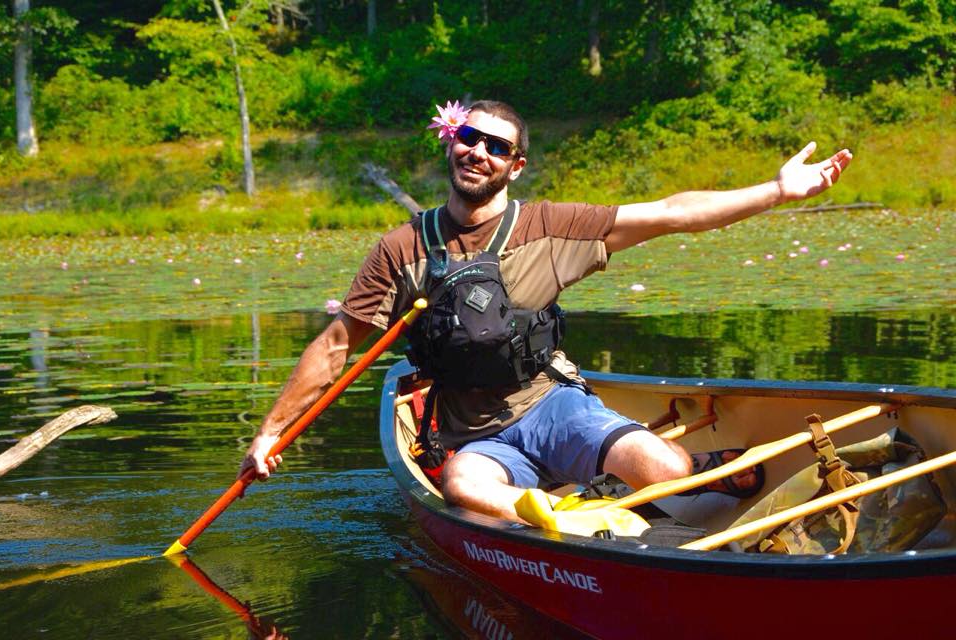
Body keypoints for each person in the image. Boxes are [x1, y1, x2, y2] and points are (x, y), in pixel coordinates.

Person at [239, 99, 852, 522]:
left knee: (660, 465)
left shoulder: (550, 226)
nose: (478, 151)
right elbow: (336, 346)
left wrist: (776, 192)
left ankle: (687, 470)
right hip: (470, 435)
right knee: (461, 486)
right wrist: (269, 431)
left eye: (495, 145)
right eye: (468, 137)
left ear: (515, 164)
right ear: (451, 144)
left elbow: (671, 211)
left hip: (551, 405)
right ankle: (566, 518)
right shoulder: (402, 248)